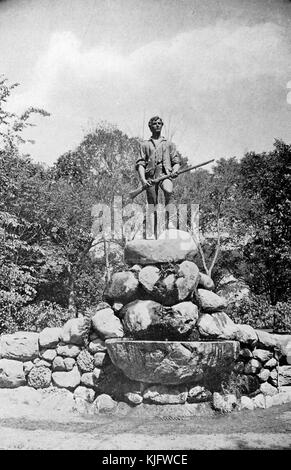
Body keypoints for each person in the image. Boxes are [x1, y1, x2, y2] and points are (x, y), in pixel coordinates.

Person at [135, 116, 180, 237]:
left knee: (169, 191)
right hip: (150, 177)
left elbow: (176, 162)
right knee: (152, 204)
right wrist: (143, 180)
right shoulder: (144, 145)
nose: (157, 125)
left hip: (165, 174)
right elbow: (140, 164)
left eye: (159, 123)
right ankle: (152, 232)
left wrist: (175, 171)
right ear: (150, 126)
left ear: (162, 125)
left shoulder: (169, 144)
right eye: (154, 123)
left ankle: (171, 221)